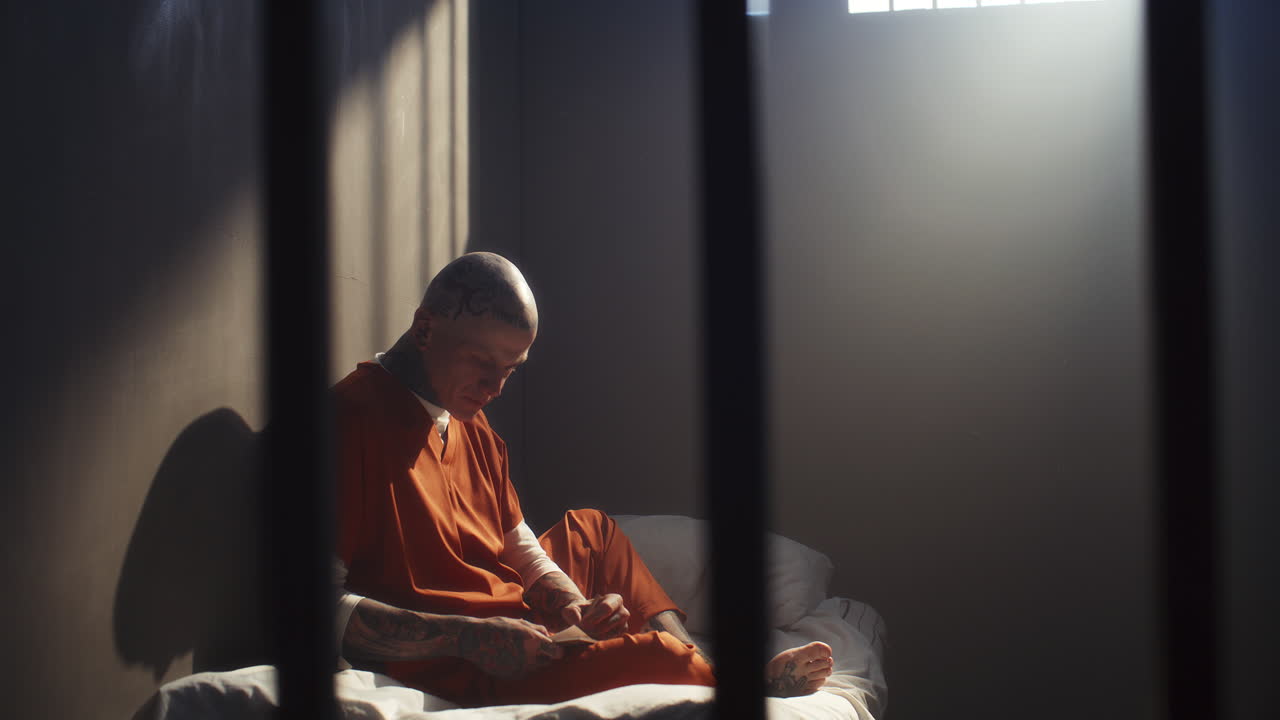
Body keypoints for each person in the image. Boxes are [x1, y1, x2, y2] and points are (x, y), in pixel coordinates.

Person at [331, 251, 833, 706]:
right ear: (425, 331)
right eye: (483, 363)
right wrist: (469, 638)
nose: (496, 388)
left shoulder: (468, 418)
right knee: (661, 660)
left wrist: (572, 603)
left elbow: (514, 540)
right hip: (458, 661)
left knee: (594, 531)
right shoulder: (350, 420)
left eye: (512, 369)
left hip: (517, 625)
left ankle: (700, 661)